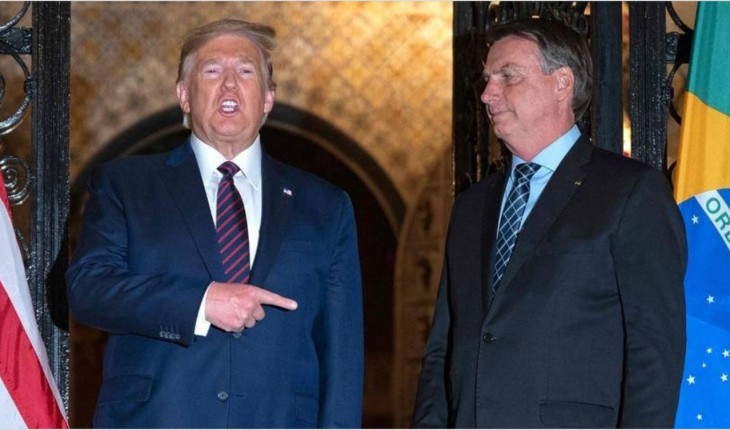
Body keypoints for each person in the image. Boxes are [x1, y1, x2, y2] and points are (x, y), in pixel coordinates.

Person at [67, 19, 363, 428]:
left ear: (268, 98)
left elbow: (342, 353)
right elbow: (88, 289)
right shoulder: (126, 185)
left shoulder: (326, 206)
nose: (229, 84)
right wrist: (201, 303)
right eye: (212, 71)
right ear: (184, 95)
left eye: (245, 71)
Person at [412, 18, 686, 428]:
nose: (487, 94)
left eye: (508, 76)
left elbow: (654, 351)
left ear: (562, 83)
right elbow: (443, 349)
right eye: (487, 80)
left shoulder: (630, 192)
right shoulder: (471, 207)